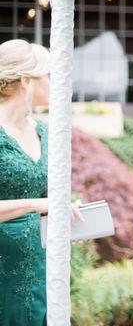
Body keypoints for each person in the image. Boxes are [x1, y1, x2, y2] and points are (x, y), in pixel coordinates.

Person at [0, 39, 82, 325]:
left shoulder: (46, 132)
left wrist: (62, 209)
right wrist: (38, 204)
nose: (53, 81)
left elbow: (48, 194)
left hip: (39, 262)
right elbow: (40, 200)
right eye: (47, 75)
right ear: (25, 80)